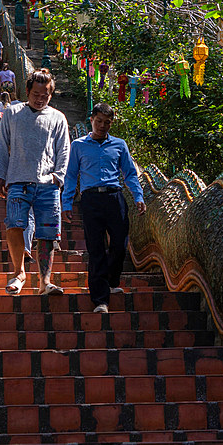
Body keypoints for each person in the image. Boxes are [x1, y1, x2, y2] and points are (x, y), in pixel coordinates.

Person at [61, 104, 146, 314]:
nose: (102, 126)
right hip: (90, 200)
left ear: (112, 123)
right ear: (92, 120)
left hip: (114, 197)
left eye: (107, 122)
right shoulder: (79, 145)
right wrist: (67, 202)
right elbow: (71, 175)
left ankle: (111, 280)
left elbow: (130, 173)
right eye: (99, 121)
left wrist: (138, 196)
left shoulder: (119, 145)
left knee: (120, 244)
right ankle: (100, 300)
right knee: (96, 248)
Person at [0, 69, 70, 296]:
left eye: (44, 95)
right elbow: (1, 144)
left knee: (48, 234)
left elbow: (64, 150)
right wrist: (0, 173)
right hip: (18, 180)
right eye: (36, 93)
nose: (39, 98)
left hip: (48, 184)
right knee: (14, 225)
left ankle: (45, 282)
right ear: (27, 91)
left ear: (50, 95)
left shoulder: (57, 117)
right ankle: (19, 272)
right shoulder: (13, 113)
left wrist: (59, 176)